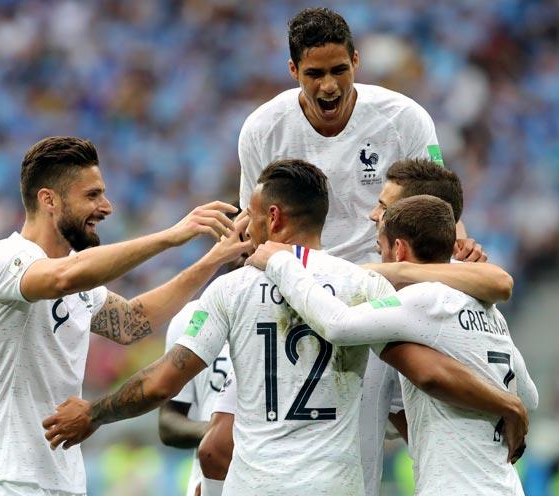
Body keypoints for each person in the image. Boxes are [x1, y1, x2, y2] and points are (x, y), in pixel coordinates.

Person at [43, 161, 525, 496]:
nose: (245, 229)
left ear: (272, 217)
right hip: (335, 485)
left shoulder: (231, 292)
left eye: (250, 217)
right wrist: (503, 401)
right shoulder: (364, 286)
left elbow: (162, 383)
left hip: (259, 484)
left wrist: (94, 413)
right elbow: (426, 371)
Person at [236, 8, 486, 494]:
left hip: (391, 283)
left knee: (439, 416)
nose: (328, 86)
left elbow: (440, 203)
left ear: (356, 61)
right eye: (314, 74)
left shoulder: (403, 117)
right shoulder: (262, 129)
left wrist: (459, 244)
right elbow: (256, 222)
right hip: (308, 290)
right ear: (293, 72)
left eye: (339, 71)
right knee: (351, 442)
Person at [0, 136, 250, 496]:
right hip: (4, 480)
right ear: (49, 200)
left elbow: (132, 321)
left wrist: (213, 259)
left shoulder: (80, 282)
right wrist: (172, 237)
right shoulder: (2, 260)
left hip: (64, 481)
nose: (106, 206)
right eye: (92, 195)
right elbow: (61, 278)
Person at [206, 158, 510, 494]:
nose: (372, 215)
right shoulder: (452, 296)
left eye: (384, 206)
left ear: (413, 218)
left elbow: (497, 285)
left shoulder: (396, 294)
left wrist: (281, 263)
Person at [158, 210, 246, 496]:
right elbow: (168, 422)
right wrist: (220, 431)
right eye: (238, 238)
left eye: (252, 238)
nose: (245, 249)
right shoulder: (192, 318)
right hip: (209, 484)